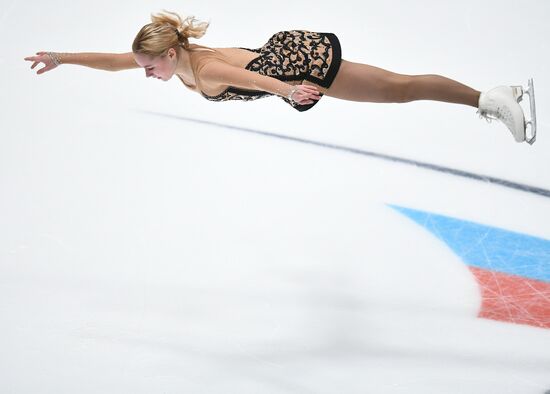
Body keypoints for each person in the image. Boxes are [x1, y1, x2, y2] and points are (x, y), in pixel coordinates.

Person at [24, 10, 536, 144]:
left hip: (297, 64)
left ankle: (488, 98)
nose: (145, 73)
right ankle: (488, 96)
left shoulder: (202, 69)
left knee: (400, 90)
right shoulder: (174, 62)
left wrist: (291, 89)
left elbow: (255, 81)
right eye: (145, 66)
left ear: (173, 51)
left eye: (151, 66)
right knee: (399, 88)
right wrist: (63, 56)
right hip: (280, 58)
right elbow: (115, 61)